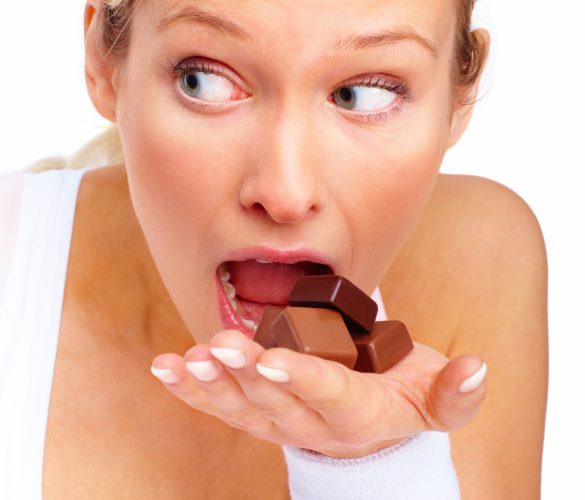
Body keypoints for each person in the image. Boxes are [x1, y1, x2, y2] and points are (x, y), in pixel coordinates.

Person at [0, 0, 547, 498]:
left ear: (459, 99)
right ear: (104, 66)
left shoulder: (481, 255)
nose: (286, 194)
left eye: (364, 93)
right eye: (203, 81)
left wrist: (370, 464)